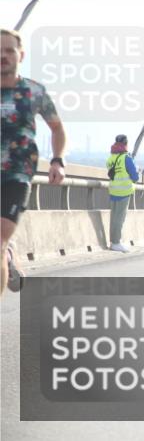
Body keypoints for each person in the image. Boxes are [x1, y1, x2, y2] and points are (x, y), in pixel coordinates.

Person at [1, 28, 66, 294]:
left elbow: (57, 129)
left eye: (9, 50)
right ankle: (7, 256)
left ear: (21, 55)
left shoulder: (34, 92)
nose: (3, 56)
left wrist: (57, 160)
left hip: (16, 175)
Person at [107, 134, 140, 252]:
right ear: (126, 144)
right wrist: (137, 169)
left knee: (114, 217)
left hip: (113, 191)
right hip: (124, 192)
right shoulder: (126, 158)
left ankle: (113, 242)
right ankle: (116, 242)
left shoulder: (111, 157)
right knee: (119, 219)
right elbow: (135, 177)